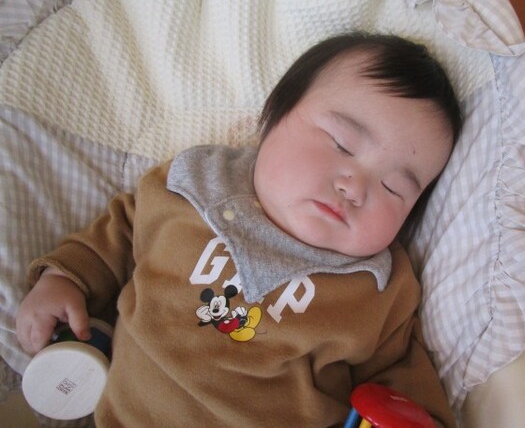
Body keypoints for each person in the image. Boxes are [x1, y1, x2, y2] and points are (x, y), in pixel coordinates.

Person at [17, 32, 462, 427]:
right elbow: (121, 232)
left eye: (393, 187)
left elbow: (403, 379)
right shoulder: (193, 188)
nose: (355, 187)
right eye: (341, 143)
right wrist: (64, 278)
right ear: (271, 119)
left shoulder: (378, 291)